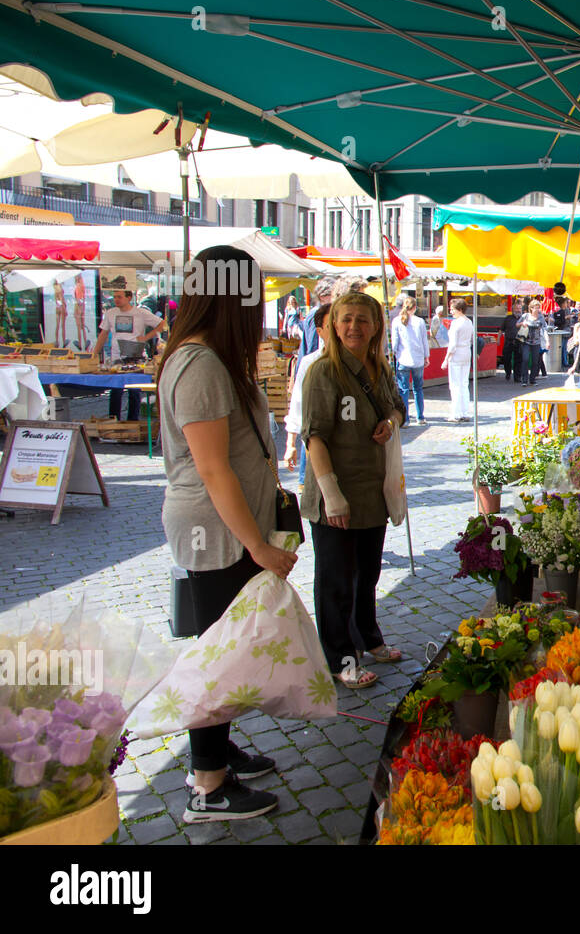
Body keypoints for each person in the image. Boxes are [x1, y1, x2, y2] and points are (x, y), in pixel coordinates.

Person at [157, 245, 292, 824]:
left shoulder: (211, 358)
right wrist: (258, 546)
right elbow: (213, 470)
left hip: (228, 530)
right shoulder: (200, 365)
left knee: (228, 646)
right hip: (216, 533)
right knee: (215, 655)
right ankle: (208, 785)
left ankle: (218, 752)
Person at [300, 290, 406, 690]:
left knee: (368, 575)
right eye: (346, 319)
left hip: (371, 493)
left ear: (377, 326)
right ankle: (341, 659)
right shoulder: (323, 372)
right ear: (331, 324)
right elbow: (314, 437)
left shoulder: (379, 367)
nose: (353, 327)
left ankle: (368, 637)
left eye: (363, 319)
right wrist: (331, 493)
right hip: (337, 496)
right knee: (337, 582)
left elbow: (399, 406)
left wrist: (391, 423)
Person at [92, 287, 166, 422]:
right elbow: (103, 334)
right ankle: (113, 421)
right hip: (117, 357)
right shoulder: (110, 313)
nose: (116, 300)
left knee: (134, 390)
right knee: (115, 390)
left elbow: (161, 324)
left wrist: (146, 337)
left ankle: (133, 421)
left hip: (136, 356)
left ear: (129, 298)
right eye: (114, 297)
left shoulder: (140, 312)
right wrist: (94, 353)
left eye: (119, 297)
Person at [284, 304, 331, 488]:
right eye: (330, 326)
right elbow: (297, 403)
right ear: (319, 332)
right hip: (317, 451)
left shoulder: (360, 361)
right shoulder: (309, 362)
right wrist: (290, 444)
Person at [390, 296, 430, 425]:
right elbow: (425, 341)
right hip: (418, 359)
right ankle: (420, 416)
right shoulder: (420, 322)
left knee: (403, 390)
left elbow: (394, 342)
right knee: (418, 389)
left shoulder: (397, 321)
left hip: (403, 359)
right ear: (414, 308)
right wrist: (426, 356)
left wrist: (393, 355)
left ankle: (405, 419)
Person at [446, 298, 476, 420]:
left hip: (457, 354)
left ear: (459, 310)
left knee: (455, 385)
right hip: (466, 353)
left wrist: (446, 358)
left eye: (452, 309)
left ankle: (456, 413)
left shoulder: (456, 323)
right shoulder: (469, 322)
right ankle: (465, 411)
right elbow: (473, 338)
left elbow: (452, 345)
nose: (451, 311)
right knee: (464, 384)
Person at [517, 299, 545, 386]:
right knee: (525, 359)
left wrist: (547, 341)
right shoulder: (525, 316)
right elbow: (517, 324)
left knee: (535, 361)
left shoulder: (541, 317)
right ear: (531, 308)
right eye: (536, 308)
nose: (537, 310)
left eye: (538, 308)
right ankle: (524, 380)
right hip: (526, 341)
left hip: (536, 342)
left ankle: (532, 379)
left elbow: (544, 329)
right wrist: (522, 323)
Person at [501, 302, 521, 383]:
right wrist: (498, 339)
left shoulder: (523, 318)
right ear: (513, 309)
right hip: (508, 341)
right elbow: (501, 329)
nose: (518, 310)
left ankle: (517, 377)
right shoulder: (508, 318)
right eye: (516, 308)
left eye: (520, 308)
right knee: (506, 359)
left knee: (518, 360)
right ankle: (508, 373)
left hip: (519, 341)